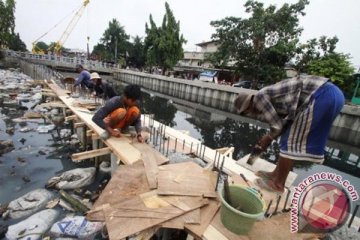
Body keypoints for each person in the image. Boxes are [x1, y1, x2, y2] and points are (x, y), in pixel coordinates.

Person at [234, 75, 345, 193]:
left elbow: (277, 127)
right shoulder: (270, 99)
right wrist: (269, 138)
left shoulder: (259, 98)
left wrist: (268, 138)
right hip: (333, 96)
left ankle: (277, 184)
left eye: (246, 113)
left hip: (322, 95)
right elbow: (283, 126)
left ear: (248, 106)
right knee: (287, 137)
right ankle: (275, 175)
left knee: (289, 142)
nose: (250, 115)